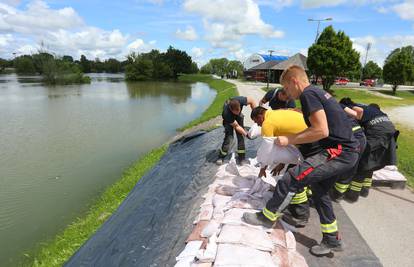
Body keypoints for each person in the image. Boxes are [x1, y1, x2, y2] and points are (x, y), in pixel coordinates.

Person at [242, 65, 359, 256]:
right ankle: (332, 239)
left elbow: (322, 130)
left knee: (291, 178)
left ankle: (267, 217)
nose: (287, 94)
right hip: (347, 151)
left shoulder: (308, 94)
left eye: (287, 89)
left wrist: (289, 139)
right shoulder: (317, 92)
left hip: (339, 151)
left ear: (294, 81)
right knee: (320, 192)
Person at [251, 107, 312, 227]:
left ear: (260, 116)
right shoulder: (276, 113)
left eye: (256, 121)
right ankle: (298, 207)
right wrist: (282, 163)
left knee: (293, 179)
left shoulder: (267, 123)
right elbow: (287, 138)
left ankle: (300, 215)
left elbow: (267, 150)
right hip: (309, 139)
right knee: (296, 177)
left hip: (309, 144)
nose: (257, 124)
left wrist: (263, 168)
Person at [339, 98, 398, 202]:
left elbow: (358, 115)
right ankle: (364, 190)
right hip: (389, 129)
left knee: (362, 161)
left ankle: (352, 195)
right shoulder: (368, 107)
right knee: (371, 162)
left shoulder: (354, 107)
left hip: (378, 132)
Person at [330, 104, 367, 202]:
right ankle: (338, 194)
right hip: (360, 137)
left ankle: (336, 193)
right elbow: (358, 114)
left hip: (349, 138)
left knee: (342, 164)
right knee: (351, 167)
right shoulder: (337, 105)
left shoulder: (322, 109)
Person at [217, 96, 257, 165]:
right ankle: (221, 156)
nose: (238, 112)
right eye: (236, 111)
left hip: (238, 118)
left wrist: (256, 114)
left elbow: (251, 100)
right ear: (231, 109)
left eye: (239, 110)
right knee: (229, 138)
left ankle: (241, 158)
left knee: (240, 136)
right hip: (229, 121)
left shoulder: (240, 100)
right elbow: (237, 126)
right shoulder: (226, 113)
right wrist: (246, 134)